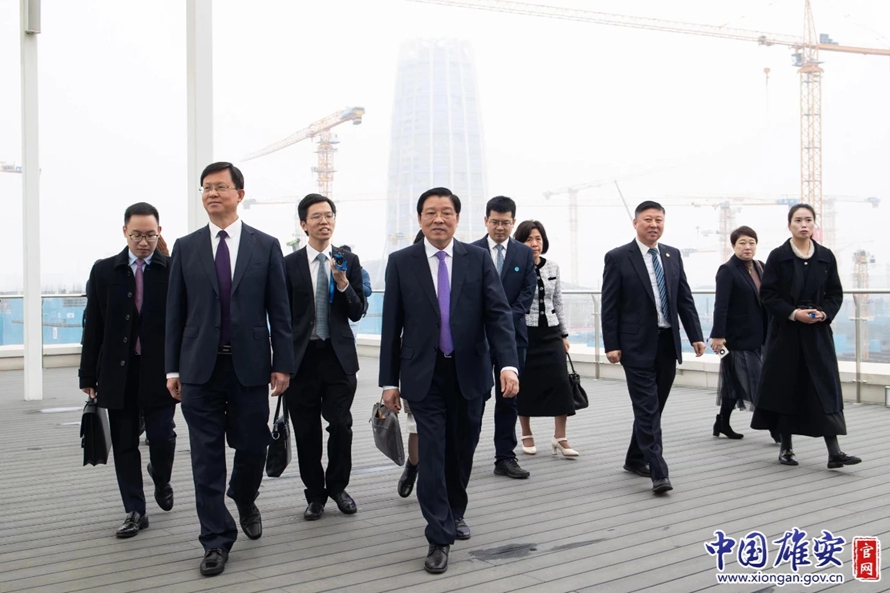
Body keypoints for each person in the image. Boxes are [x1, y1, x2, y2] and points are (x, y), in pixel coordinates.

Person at [380, 187, 519, 574]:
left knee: (462, 450)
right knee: (433, 453)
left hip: (470, 371)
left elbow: (498, 314)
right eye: (430, 212)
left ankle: (455, 511)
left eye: (445, 212)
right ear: (419, 218)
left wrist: (508, 365)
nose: (438, 219)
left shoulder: (477, 259)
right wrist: (389, 381)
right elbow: (391, 325)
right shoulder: (401, 262)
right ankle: (438, 536)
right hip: (423, 375)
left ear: (458, 218)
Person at [166, 162, 294, 577]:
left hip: (251, 367)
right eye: (206, 187)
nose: (212, 193)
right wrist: (171, 369)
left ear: (239, 193)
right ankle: (216, 539)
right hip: (198, 369)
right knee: (205, 458)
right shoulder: (186, 247)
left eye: (220, 186)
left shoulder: (265, 245)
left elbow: (280, 311)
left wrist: (282, 364)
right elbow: (174, 314)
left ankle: (243, 495)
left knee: (253, 445)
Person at [79, 202, 177, 538]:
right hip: (117, 373)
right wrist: (87, 375)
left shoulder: (172, 270)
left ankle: (161, 478)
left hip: (161, 372)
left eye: (150, 235)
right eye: (136, 235)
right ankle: (135, 510)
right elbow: (94, 326)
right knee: (124, 443)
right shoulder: (105, 271)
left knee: (162, 436)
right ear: (125, 232)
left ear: (159, 232)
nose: (144, 242)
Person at [601, 201, 705, 494]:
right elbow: (610, 305)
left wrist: (695, 336)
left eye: (659, 220)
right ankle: (658, 471)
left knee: (654, 406)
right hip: (634, 345)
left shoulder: (672, 255)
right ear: (635, 223)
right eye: (648, 219)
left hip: (667, 343)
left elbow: (684, 298)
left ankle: (634, 458)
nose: (653, 225)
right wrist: (612, 344)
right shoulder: (618, 257)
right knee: (647, 408)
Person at [751, 204, 861, 469]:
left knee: (824, 389)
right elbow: (768, 295)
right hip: (786, 333)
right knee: (785, 387)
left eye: (808, 220)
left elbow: (835, 293)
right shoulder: (778, 256)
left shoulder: (825, 256)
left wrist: (824, 313)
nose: (804, 225)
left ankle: (834, 452)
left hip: (817, 333)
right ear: (789, 224)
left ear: (814, 224)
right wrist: (793, 313)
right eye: (798, 220)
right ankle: (786, 449)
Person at [283, 194, 365, 521]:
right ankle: (315, 495)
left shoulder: (348, 261)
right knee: (306, 431)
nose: (324, 221)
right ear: (304, 224)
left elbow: (358, 311)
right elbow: (280, 315)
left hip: (338, 357)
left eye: (329, 215)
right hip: (301, 360)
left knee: (341, 425)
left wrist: (342, 283)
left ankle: (338, 487)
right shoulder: (288, 265)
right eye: (316, 216)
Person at [471, 196, 536, 478]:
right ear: (486, 221)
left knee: (509, 397)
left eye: (506, 222)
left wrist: (503, 320)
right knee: (476, 397)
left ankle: (505, 457)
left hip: (513, 336)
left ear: (513, 222)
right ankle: (464, 452)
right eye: (495, 222)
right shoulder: (470, 251)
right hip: (477, 337)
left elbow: (527, 292)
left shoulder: (523, 253)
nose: (500, 227)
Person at [513, 220, 577, 457]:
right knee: (525, 384)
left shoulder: (552, 267)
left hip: (550, 332)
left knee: (561, 383)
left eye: (538, 238)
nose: (534, 243)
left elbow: (557, 301)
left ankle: (560, 437)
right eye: (529, 239)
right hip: (525, 333)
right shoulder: (515, 267)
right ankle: (526, 433)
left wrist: (564, 334)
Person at [709, 226, 773, 441]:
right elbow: (721, 306)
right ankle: (776, 428)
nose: (747, 247)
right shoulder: (727, 270)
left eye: (751, 242)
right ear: (733, 246)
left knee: (732, 382)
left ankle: (722, 422)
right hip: (736, 338)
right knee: (758, 382)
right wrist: (718, 335)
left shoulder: (761, 267)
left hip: (761, 335)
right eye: (742, 243)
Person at [397, 229, 427, 498]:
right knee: (415, 426)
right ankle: (413, 465)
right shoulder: (406, 275)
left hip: (450, 364)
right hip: (415, 363)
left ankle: (436, 478)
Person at [338, 245, 372, 339]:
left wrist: (352, 281)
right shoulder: (335, 271)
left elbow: (368, 291)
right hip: (338, 312)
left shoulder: (362, 272)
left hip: (354, 309)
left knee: (351, 339)